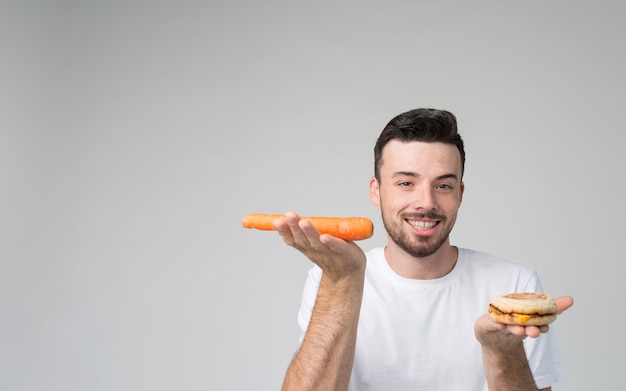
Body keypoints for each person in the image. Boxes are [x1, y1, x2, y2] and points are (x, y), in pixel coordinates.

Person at [274, 108, 574, 391]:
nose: (426, 203)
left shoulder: (512, 285)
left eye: (443, 186)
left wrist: (500, 351)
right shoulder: (332, 278)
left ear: (459, 193)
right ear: (376, 190)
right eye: (406, 182)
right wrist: (341, 281)